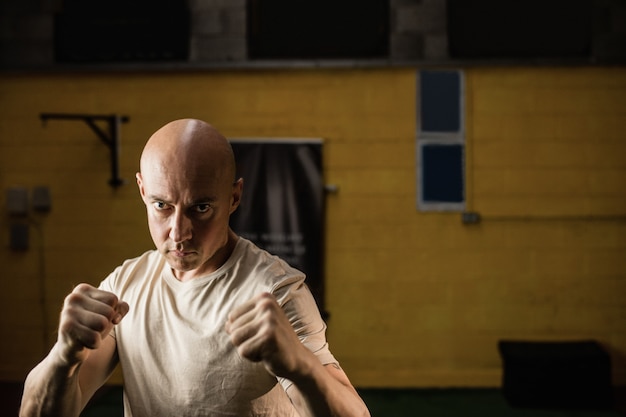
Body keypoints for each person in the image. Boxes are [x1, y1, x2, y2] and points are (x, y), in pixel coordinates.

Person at [20, 119, 370, 417]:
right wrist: (64, 354)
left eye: (200, 208)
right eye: (162, 205)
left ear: (234, 197)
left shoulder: (278, 291)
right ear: (142, 190)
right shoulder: (125, 287)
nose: (178, 232)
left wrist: (300, 364)